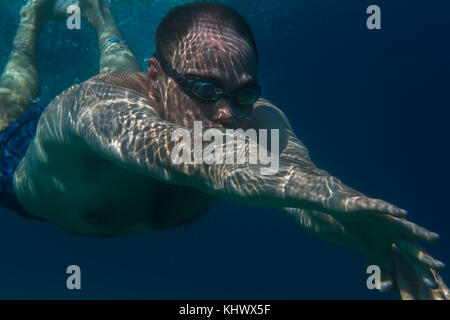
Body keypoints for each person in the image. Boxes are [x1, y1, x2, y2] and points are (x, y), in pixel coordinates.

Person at [0, 0, 448, 300]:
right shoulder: (91, 106)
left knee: (134, 79)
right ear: (161, 78)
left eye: (244, 93)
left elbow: (295, 183)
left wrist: (365, 233)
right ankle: (31, 21)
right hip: (17, 164)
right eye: (204, 89)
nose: (227, 114)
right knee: (13, 100)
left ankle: (101, 18)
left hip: (147, 100)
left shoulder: (254, 116)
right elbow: (177, 152)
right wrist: (326, 193)